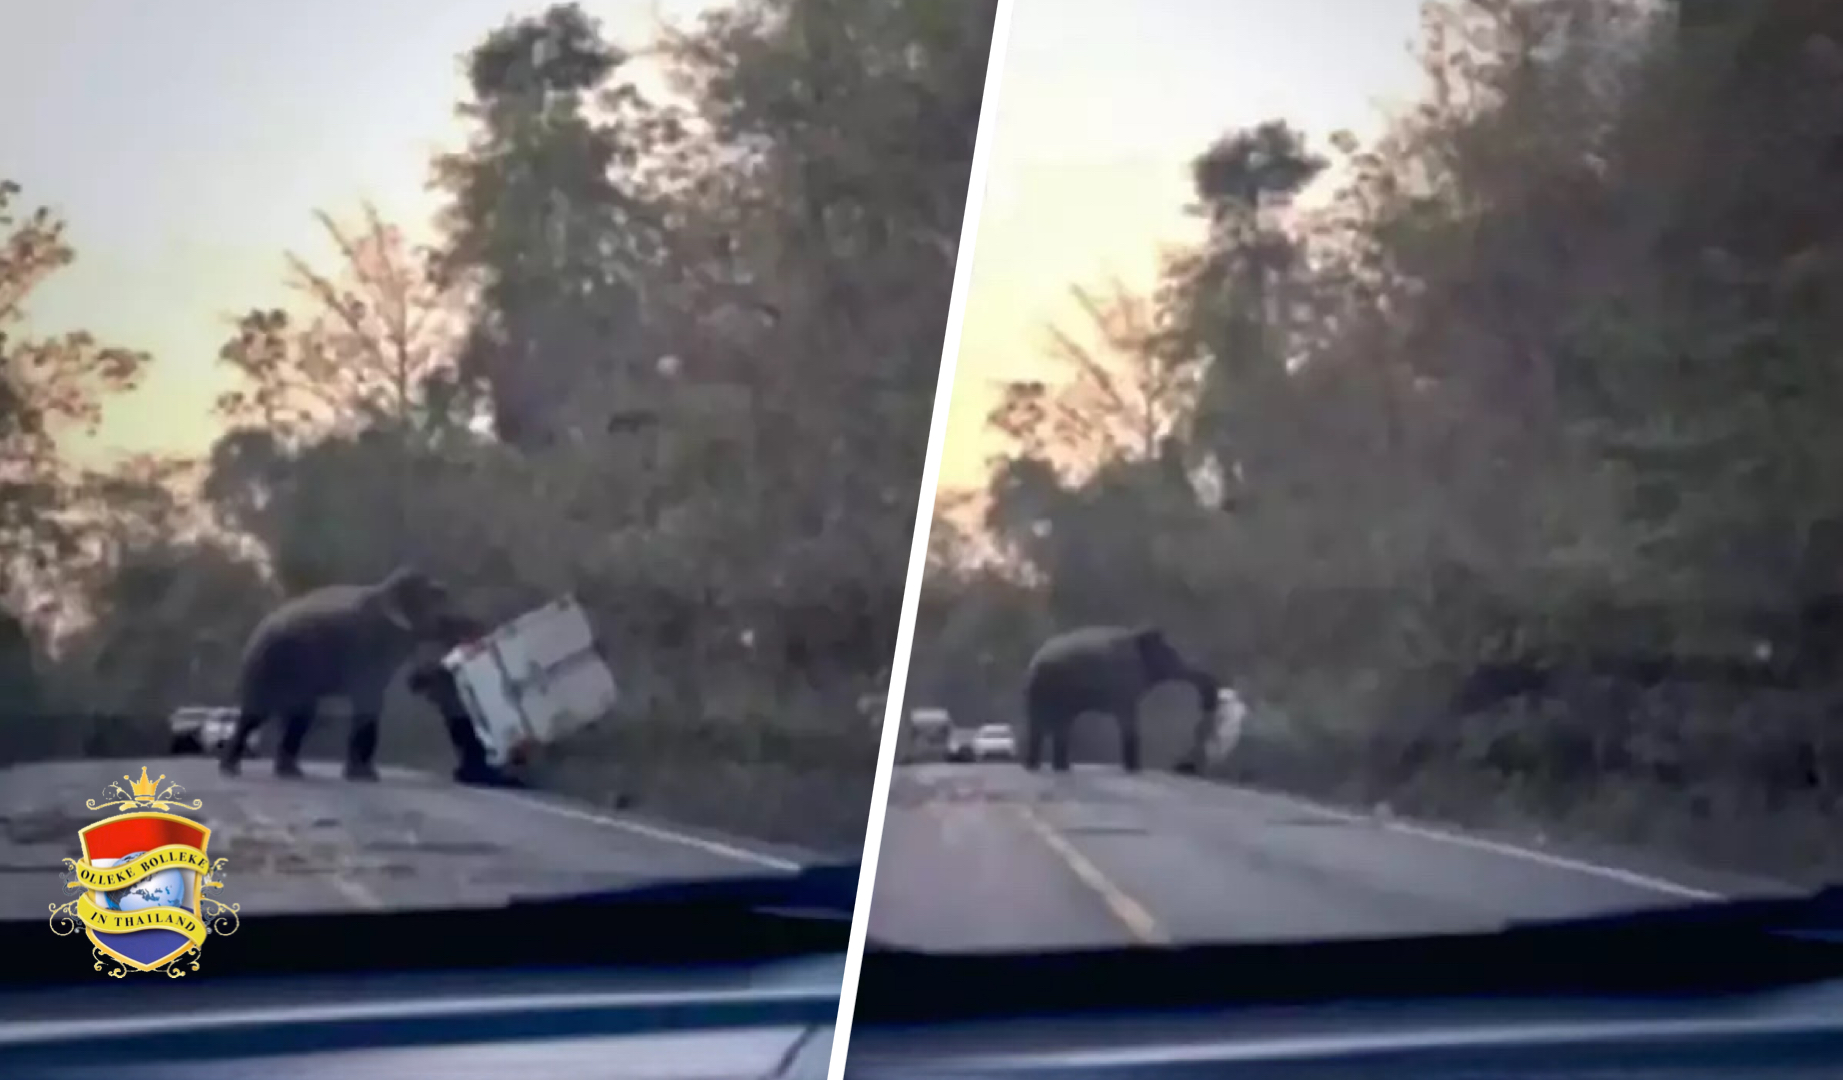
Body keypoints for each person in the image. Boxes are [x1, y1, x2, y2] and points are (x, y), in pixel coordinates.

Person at [407, 613, 525, 788]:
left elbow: (418, 681)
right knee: (470, 738)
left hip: (467, 704)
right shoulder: (440, 651)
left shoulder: (444, 648)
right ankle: (476, 769)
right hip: (460, 706)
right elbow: (418, 680)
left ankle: (475, 768)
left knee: (473, 738)